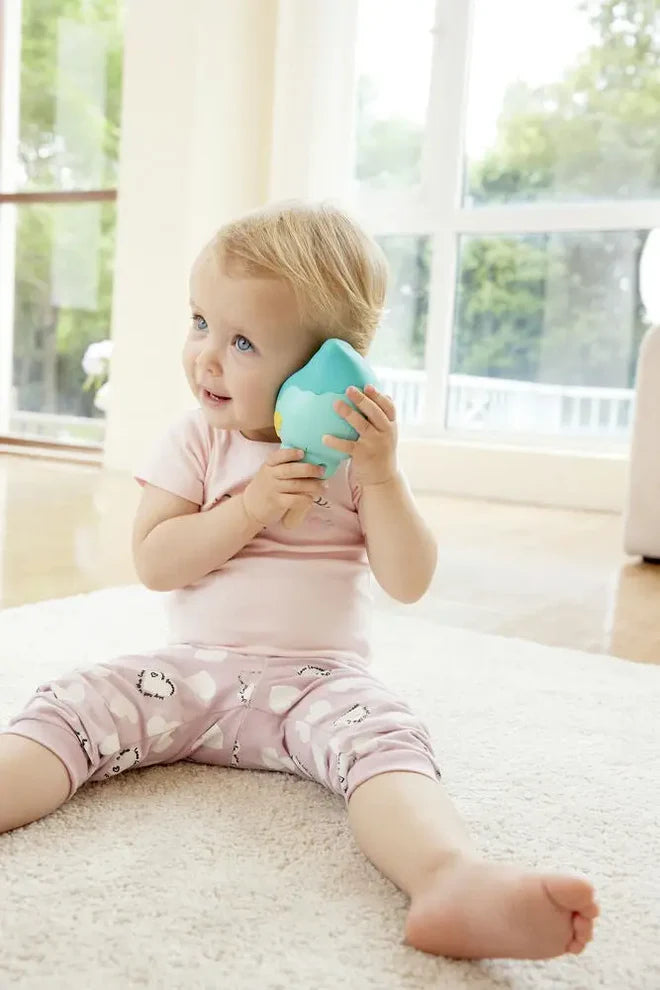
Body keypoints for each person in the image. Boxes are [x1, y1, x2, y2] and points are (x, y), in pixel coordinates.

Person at [0, 201, 599, 960]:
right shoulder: (198, 440)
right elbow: (155, 561)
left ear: (325, 367)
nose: (206, 357)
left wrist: (383, 478)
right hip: (190, 672)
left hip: (321, 684)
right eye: (199, 322)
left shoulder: (354, 460)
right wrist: (248, 509)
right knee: (78, 703)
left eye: (242, 341)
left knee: (386, 745)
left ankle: (450, 877)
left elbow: (409, 581)